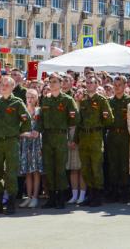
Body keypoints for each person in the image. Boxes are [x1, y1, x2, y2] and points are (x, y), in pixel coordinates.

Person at [0, 75, 31, 215]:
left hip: (11, 142)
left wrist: (19, 133)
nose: (4, 86)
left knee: (11, 174)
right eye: (2, 84)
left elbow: (27, 121)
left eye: (7, 84)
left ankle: (11, 203)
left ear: (12, 87)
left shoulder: (17, 102)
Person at [36, 74, 77, 209]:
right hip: (47, 137)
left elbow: (74, 118)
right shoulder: (45, 100)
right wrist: (37, 131)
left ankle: (61, 197)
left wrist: (66, 131)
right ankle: (52, 197)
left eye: (55, 82)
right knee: (49, 167)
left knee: (60, 168)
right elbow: (40, 119)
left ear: (61, 84)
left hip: (60, 136)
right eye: (50, 82)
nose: (52, 84)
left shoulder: (67, 100)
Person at [72, 76, 113, 207]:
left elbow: (109, 119)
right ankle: (90, 194)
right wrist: (75, 139)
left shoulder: (101, 100)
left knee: (96, 167)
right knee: (86, 167)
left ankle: (98, 195)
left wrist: (98, 125)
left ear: (97, 85)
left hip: (95, 136)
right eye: (87, 83)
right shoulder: (82, 101)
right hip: (84, 137)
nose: (89, 85)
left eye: (92, 83)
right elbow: (79, 122)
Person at [106, 75, 130, 203]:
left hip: (125, 135)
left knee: (124, 164)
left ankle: (125, 191)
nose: (117, 88)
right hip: (112, 135)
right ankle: (114, 191)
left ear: (125, 86)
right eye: (115, 85)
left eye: (120, 85)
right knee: (113, 164)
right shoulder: (109, 101)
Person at [18, 88, 43, 209]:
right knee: (27, 171)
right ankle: (28, 197)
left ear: (37, 98)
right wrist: (24, 134)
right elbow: (16, 129)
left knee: (36, 170)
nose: (30, 99)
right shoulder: (22, 111)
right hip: (25, 143)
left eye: (32, 96)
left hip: (37, 143)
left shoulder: (39, 111)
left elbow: (42, 126)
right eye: (28, 97)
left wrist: (38, 132)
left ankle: (35, 197)